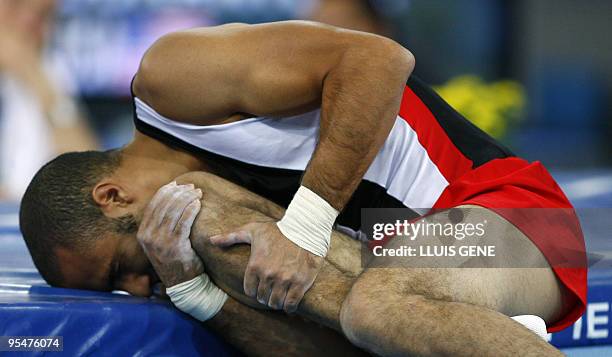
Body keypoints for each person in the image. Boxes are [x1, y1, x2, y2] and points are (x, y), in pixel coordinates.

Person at [19, 21, 585, 355]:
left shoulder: (171, 81)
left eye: (121, 270)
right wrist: (198, 295)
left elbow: (379, 59)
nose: (142, 289)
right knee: (368, 316)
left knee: (378, 305)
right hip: (393, 249)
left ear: (112, 196)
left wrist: (307, 225)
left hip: (511, 218)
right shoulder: (201, 235)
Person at [0, 0, 98, 200]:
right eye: (16, 6)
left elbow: (87, 181)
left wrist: (36, 79)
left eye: (43, 15)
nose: (27, 22)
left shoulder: (48, 70)